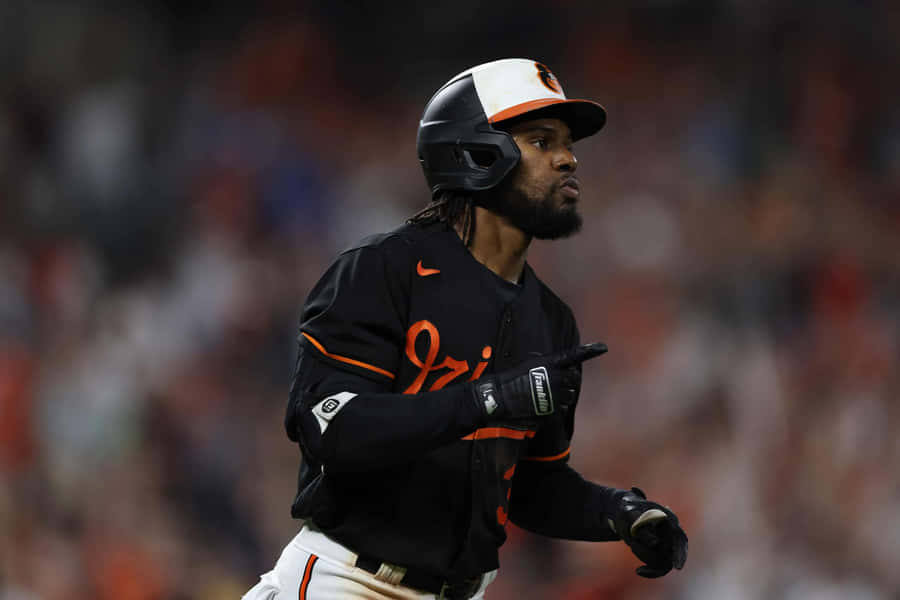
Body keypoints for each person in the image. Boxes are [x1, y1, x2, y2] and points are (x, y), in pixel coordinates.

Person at [244, 58, 687, 600]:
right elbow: (333, 429)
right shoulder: (383, 269)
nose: (569, 158)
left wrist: (617, 512)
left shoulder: (550, 320)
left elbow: (528, 488)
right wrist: (491, 398)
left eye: (567, 143)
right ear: (478, 154)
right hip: (348, 580)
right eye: (541, 141)